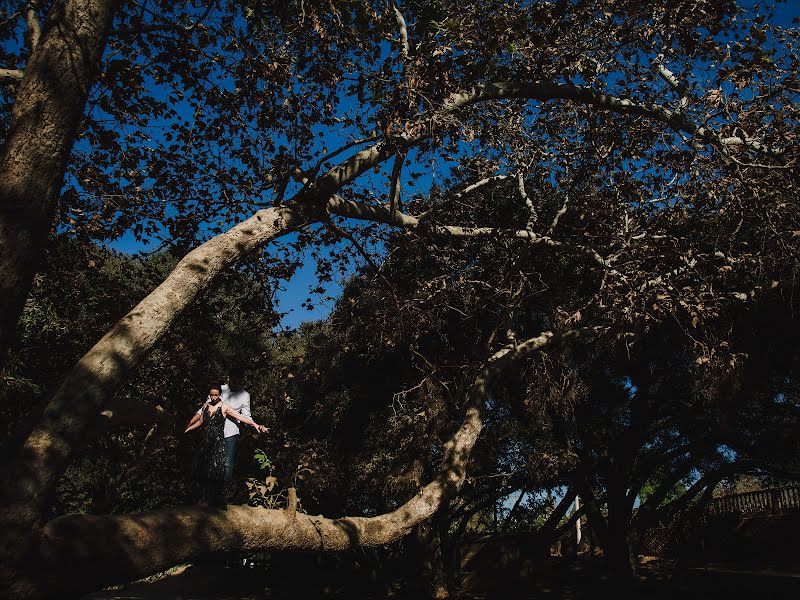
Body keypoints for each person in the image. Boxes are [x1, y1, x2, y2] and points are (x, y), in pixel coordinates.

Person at [184, 383, 267, 506]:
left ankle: (217, 497)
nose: (213, 397)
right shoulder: (206, 405)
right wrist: (188, 427)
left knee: (219, 467)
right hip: (206, 439)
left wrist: (256, 425)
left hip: (220, 439)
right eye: (211, 395)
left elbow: (242, 417)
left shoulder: (226, 406)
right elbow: (200, 420)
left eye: (215, 395)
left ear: (220, 395)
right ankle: (199, 497)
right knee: (200, 465)